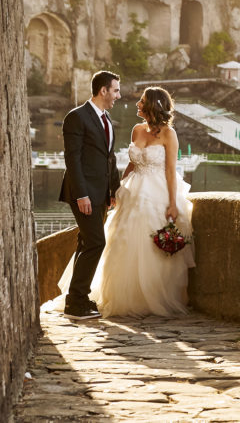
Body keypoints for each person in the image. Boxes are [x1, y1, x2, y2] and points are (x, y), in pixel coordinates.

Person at [93, 86, 194, 317]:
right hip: (133, 191)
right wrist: (118, 190)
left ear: (152, 105)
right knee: (124, 240)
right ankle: (123, 296)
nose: (137, 104)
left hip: (157, 192)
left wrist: (172, 203)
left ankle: (153, 297)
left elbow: (170, 170)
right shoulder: (137, 129)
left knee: (152, 244)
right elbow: (132, 163)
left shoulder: (169, 134)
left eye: (141, 101)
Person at [59, 70, 121, 321]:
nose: (119, 95)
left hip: (100, 193)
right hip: (82, 192)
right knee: (97, 242)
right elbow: (71, 158)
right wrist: (82, 195)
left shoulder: (106, 119)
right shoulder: (76, 117)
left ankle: (78, 299)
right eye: (115, 90)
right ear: (103, 90)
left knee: (86, 242)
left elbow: (109, 157)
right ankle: (75, 301)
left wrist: (112, 190)